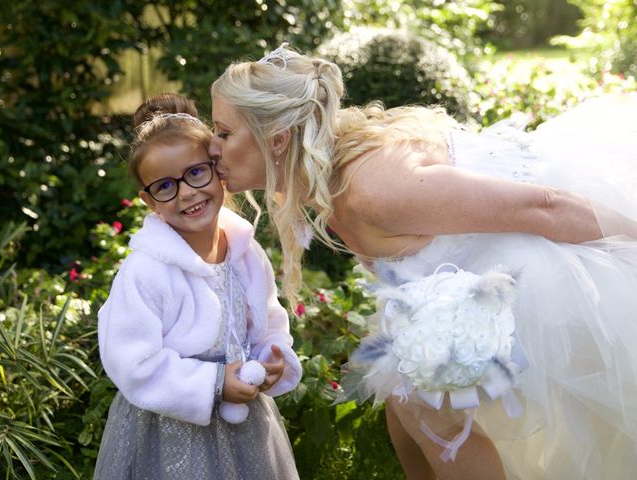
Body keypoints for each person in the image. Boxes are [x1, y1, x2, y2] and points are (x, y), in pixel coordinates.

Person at [208, 44, 637, 480]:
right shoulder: (323, 182)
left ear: (277, 140)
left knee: (425, 411)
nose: (211, 146)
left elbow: (545, 206)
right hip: (480, 278)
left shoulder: (373, 187)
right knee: (406, 408)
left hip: (551, 261)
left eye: (223, 133)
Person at [94, 93, 302, 480]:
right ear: (149, 200)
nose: (187, 193)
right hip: (170, 434)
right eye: (165, 186)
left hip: (246, 427)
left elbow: (269, 320)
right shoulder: (146, 270)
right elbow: (132, 361)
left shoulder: (244, 252)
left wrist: (272, 357)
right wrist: (213, 383)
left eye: (195, 173)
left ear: (217, 169)